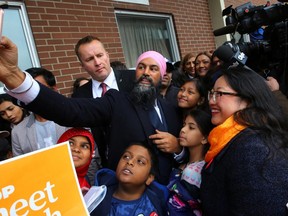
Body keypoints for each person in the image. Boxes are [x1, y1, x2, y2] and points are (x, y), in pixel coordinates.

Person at [0, 37, 182, 184]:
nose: (145, 73)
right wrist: (14, 77)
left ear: (163, 74)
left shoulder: (170, 109)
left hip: (168, 190)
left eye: (153, 68)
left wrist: (178, 148)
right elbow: (69, 110)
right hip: (129, 195)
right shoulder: (117, 101)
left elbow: (188, 148)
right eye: (141, 67)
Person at [200, 67, 288, 215]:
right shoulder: (230, 137)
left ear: (247, 99)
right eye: (211, 94)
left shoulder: (254, 148)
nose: (211, 101)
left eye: (220, 94)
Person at [71, 35, 135, 171]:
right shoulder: (80, 97)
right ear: (82, 65)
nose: (97, 62)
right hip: (108, 168)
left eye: (100, 55)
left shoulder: (133, 80)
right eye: (89, 59)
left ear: (107, 55)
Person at [91, 142, 168, 216]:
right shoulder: (96, 200)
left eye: (140, 161)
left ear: (149, 178)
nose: (130, 162)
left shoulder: (154, 205)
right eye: (126, 157)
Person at [11, 67, 67, 156]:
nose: (34, 95)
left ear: (54, 90)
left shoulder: (72, 118)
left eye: (38, 89)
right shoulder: (18, 132)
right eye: (28, 91)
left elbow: (91, 156)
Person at [167, 109, 214, 215]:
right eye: (184, 125)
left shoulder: (192, 172)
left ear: (205, 138)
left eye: (191, 127)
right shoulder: (185, 164)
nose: (183, 130)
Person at [57, 127, 95, 195]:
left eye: (84, 146)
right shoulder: (42, 178)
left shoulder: (87, 191)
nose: (76, 149)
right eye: (70, 143)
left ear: (91, 154)